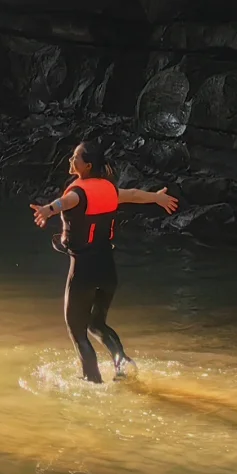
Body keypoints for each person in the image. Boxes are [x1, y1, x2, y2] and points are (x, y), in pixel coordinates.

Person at [30, 141, 178, 383]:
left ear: (87, 166)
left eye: (76, 157)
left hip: (83, 271)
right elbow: (132, 195)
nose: (71, 160)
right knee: (96, 324)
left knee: (77, 332)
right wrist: (156, 198)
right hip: (108, 270)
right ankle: (121, 361)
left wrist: (47, 210)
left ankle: (93, 383)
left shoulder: (77, 193)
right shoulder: (108, 189)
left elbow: (63, 204)